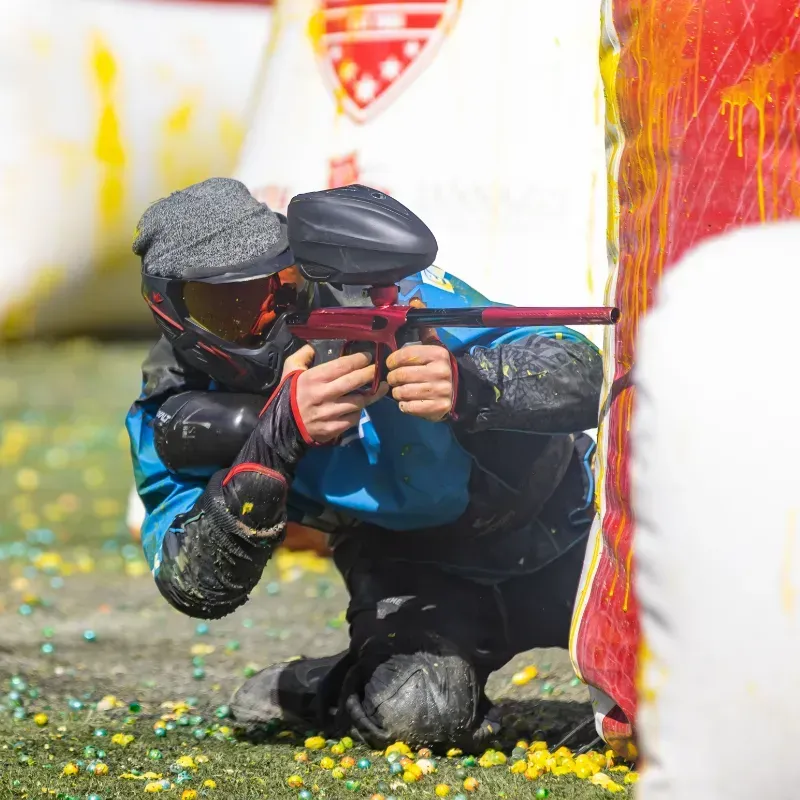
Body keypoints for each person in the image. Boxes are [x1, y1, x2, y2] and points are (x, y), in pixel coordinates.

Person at [126, 178, 603, 750]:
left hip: (568, 524)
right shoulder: (171, 411)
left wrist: (472, 383)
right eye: (232, 308)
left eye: (283, 288)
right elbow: (196, 585)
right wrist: (273, 444)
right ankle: (324, 688)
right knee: (418, 711)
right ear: (173, 313)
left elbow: (580, 366)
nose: (274, 320)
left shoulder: (382, 297)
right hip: (418, 576)